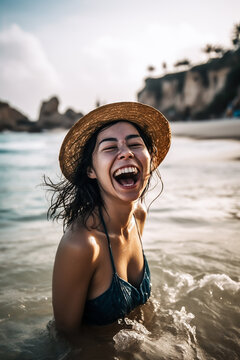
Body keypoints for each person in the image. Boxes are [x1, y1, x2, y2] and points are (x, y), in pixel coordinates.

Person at [46, 102, 171, 337]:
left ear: (150, 159)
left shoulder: (138, 215)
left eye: (135, 144)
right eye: (110, 148)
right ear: (91, 171)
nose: (126, 152)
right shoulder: (82, 245)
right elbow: (64, 340)